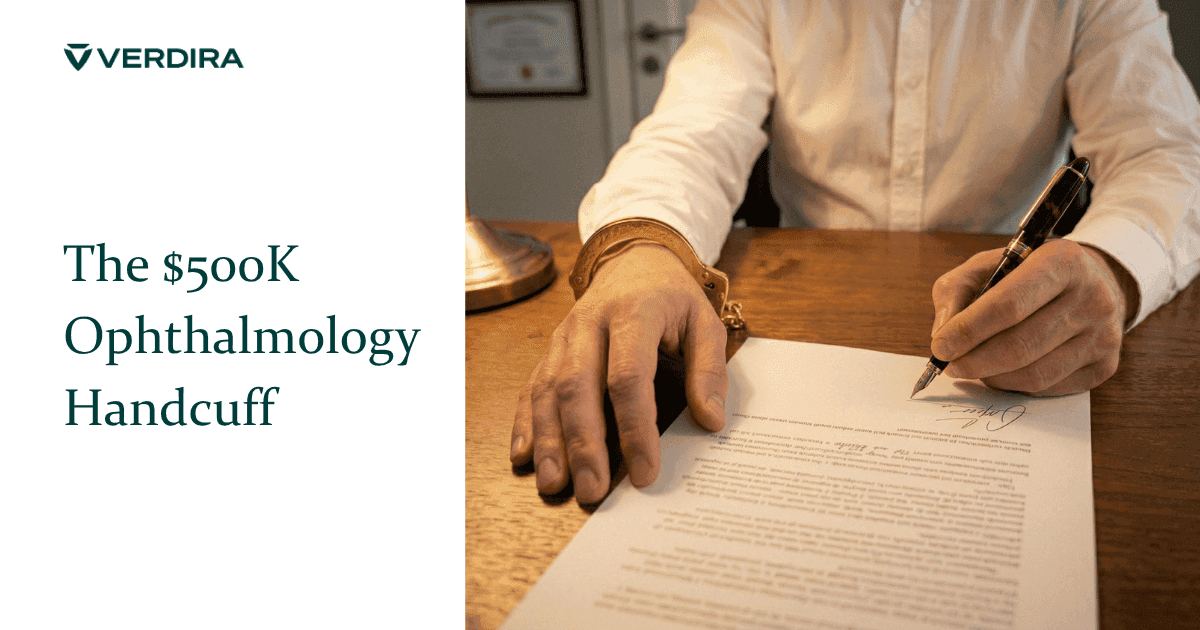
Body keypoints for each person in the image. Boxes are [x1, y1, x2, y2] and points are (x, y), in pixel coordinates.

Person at [509, 0, 1200, 504]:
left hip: (1008, 302)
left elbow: (1166, 152)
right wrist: (642, 247)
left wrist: (1111, 267)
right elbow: (693, 130)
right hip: (809, 311)